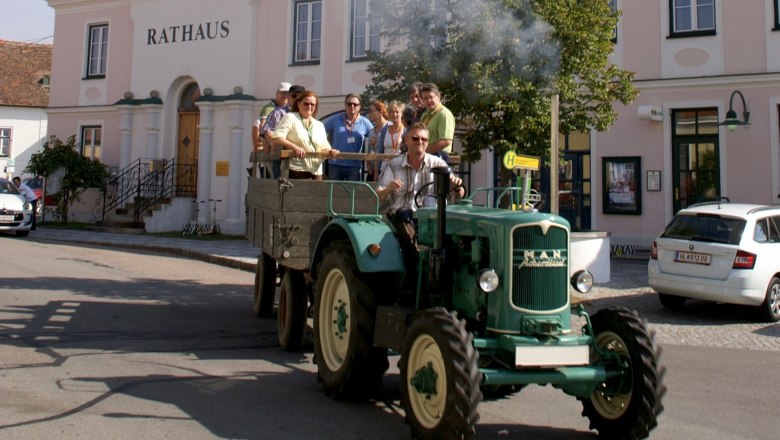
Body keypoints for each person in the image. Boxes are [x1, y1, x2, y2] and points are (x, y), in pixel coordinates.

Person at [376, 123, 463, 276]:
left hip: (432, 219)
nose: (420, 142)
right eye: (415, 138)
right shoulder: (394, 164)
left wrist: (457, 187)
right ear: (406, 141)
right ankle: (418, 265)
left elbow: (457, 192)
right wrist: (389, 188)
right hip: (402, 219)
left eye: (424, 139)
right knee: (404, 213)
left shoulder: (438, 164)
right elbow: (379, 195)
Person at [272, 90, 338, 180]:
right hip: (296, 170)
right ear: (298, 104)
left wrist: (331, 151)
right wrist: (295, 147)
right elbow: (277, 138)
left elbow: (324, 146)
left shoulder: (319, 124)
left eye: (312, 104)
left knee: (316, 194)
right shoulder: (290, 117)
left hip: (316, 171)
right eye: (306, 104)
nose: (309, 106)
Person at [324, 94, 373, 181]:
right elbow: (320, 132)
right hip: (335, 165)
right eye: (349, 104)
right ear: (345, 105)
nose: (352, 106)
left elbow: (375, 139)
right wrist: (327, 148)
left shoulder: (365, 122)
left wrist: (369, 162)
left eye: (355, 104)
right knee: (335, 192)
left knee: (352, 193)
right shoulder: (335, 120)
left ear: (359, 107)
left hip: (354, 166)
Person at [262, 84, 306, 178]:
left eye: (301, 96)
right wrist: (276, 146)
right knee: (281, 185)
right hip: (282, 158)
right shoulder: (279, 112)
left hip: (301, 158)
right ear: (288, 97)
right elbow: (267, 131)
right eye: (294, 96)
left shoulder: (307, 114)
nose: (297, 99)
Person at [419, 83, 456, 160]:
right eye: (425, 98)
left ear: (439, 96)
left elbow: (446, 141)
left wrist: (424, 150)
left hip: (439, 157)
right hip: (426, 157)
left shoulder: (444, 114)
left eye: (431, 97)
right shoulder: (425, 115)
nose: (429, 100)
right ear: (422, 100)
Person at [364, 100, 390, 181]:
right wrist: (367, 163)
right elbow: (369, 149)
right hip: (371, 170)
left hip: (383, 169)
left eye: (371, 111)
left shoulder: (389, 127)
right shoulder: (372, 130)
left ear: (380, 112)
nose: (369, 114)